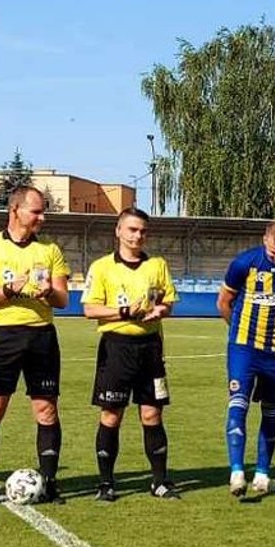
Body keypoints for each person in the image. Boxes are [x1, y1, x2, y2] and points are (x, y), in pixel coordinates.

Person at [0, 186, 70, 507]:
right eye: (36, 211)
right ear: (15, 210)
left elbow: (63, 298)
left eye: (43, 211)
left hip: (42, 337)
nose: (42, 217)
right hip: (3, 337)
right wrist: (10, 289)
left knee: (46, 409)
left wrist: (46, 294)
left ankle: (49, 484)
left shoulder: (50, 250)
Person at [81, 208, 180, 501]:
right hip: (116, 347)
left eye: (143, 231)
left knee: (152, 413)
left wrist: (159, 311)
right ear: (119, 231)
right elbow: (89, 309)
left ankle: (159, 482)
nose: (138, 236)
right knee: (112, 415)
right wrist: (125, 312)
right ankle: (106, 483)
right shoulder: (101, 267)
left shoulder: (158, 265)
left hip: (150, 348)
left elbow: (168, 304)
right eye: (132, 230)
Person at [217, 221, 275, 498]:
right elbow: (224, 302)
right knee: (239, 404)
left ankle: (262, 473)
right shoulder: (244, 263)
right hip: (244, 347)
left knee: (272, 410)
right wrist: (237, 331)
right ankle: (236, 472)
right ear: (264, 240)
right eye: (272, 253)